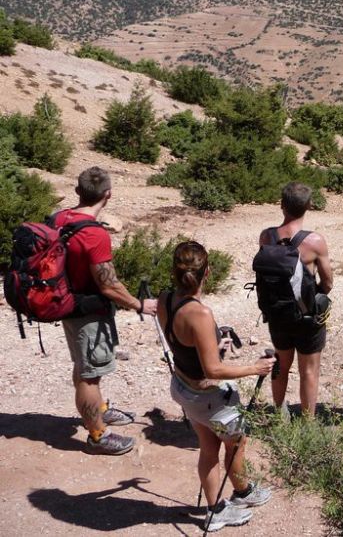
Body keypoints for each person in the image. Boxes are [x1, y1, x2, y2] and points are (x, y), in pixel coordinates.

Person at [158, 241, 276, 532]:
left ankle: (215, 508)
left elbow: (185, 343)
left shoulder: (165, 299)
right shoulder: (201, 314)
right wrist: (255, 368)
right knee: (236, 444)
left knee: (208, 446)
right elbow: (213, 369)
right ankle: (242, 493)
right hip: (209, 398)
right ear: (207, 272)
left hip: (183, 387)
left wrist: (214, 344)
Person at [54, 166, 158, 455]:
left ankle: (98, 409)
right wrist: (140, 305)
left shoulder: (59, 219)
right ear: (108, 195)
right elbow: (109, 285)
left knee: (85, 365)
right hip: (86, 311)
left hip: (66, 303)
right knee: (89, 374)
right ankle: (97, 434)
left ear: (78, 191)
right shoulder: (94, 235)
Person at [257, 182, 332, 418]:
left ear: (282, 205)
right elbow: (328, 283)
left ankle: (280, 413)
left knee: (281, 363)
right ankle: (307, 424)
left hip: (277, 312)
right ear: (309, 206)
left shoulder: (266, 236)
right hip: (306, 317)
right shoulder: (315, 242)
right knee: (309, 370)